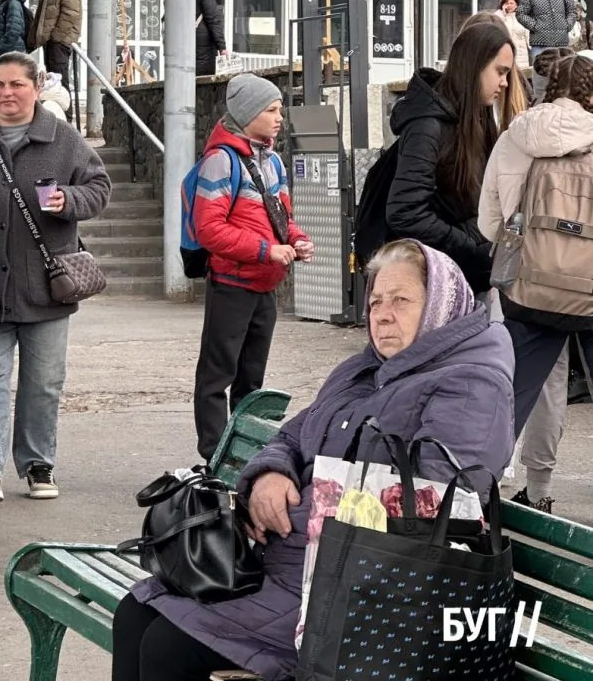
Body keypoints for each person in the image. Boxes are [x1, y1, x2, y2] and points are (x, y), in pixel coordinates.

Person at [113, 240, 515, 681]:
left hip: (368, 592)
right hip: (293, 565)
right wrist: (270, 473)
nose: (382, 314)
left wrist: (295, 509)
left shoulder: (472, 385)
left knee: (169, 647)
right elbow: (293, 435)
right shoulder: (361, 370)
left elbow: (433, 502)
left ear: (441, 305)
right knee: (134, 613)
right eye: (376, 301)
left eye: (401, 300)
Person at [0, 52, 111, 505]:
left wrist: (68, 199)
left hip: (46, 287)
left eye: (16, 85)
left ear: (36, 87)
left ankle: (36, 463)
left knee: (44, 382)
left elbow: (99, 187)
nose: (7, 93)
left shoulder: (63, 139)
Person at [479, 48, 593, 513]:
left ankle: (479, 493)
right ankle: (541, 488)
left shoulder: (515, 136)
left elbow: (489, 223)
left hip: (527, 291)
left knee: (513, 393)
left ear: (547, 88)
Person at [192, 73, 313, 462]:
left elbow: (281, 216)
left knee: (252, 380)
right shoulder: (220, 162)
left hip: (265, 285)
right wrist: (266, 251)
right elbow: (209, 230)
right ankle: (213, 456)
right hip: (232, 283)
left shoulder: (272, 160)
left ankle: (242, 455)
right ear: (247, 114)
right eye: (271, 110)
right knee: (217, 377)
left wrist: (295, 239)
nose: (280, 117)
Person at [384, 22, 514, 298]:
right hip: (435, 282)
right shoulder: (428, 126)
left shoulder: (475, 116)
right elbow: (405, 211)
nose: (504, 83)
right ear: (474, 66)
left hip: (466, 276)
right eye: (500, 72)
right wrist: (468, 244)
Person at [28, 0, 83, 113]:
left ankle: (67, 115)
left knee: (60, 80)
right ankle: (58, 114)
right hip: (51, 41)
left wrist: (56, 37)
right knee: (53, 79)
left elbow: (70, 14)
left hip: (59, 41)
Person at [516, 0, 574, 100]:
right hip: (539, 43)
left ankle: (561, 100)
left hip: (561, 42)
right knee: (540, 76)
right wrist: (534, 25)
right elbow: (520, 13)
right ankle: (540, 101)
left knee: (563, 73)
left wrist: (567, 25)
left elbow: (572, 11)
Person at [196, 0, 227, 76]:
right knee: (201, 83)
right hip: (202, 49)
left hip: (179, 49)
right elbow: (214, 20)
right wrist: (222, 47)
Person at [494, 0, 529, 72]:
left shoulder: (523, 17)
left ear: (516, 5)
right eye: (506, 3)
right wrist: (503, 14)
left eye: (511, 3)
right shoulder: (499, 17)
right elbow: (496, 28)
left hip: (521, 56)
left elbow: (528, 36)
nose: (509, 5)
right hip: (505, 53)